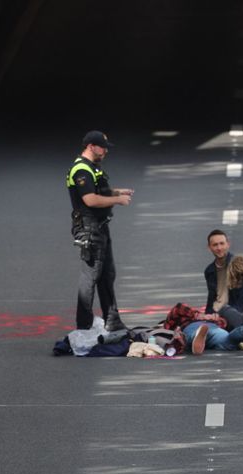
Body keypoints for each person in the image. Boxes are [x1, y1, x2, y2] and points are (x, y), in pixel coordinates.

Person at [67, 130, 135, 331]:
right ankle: (84, 326)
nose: (105, 151)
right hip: (90, 230)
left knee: (107, 275)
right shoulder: (81, 170)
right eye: (102, 147)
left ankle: (112, 321)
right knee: (90, 278)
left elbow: (99, 191)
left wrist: (116, 191)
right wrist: (118, 200)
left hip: (101, 228)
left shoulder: (92, 167)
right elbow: (90, 199)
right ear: (91, 146)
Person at [161, 302, 243, 355]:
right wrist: (213, 318)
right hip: (213, 328)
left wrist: (199, 316)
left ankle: (198, 335)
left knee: (191, 336)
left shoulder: (186, 320)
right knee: (227, 342)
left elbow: (178, 308)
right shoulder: (205, 318)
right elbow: (224, 323)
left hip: (197, 326)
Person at [203, 229, 243, 330]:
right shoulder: (209, 271)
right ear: (209, 247)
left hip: (235, 311)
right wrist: (207, 315)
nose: (219, 248)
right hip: (217, 314)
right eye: (215, 245)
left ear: (228, 244)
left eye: (222, 244)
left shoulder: (238, 265)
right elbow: (211, 297)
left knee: (227, 313)